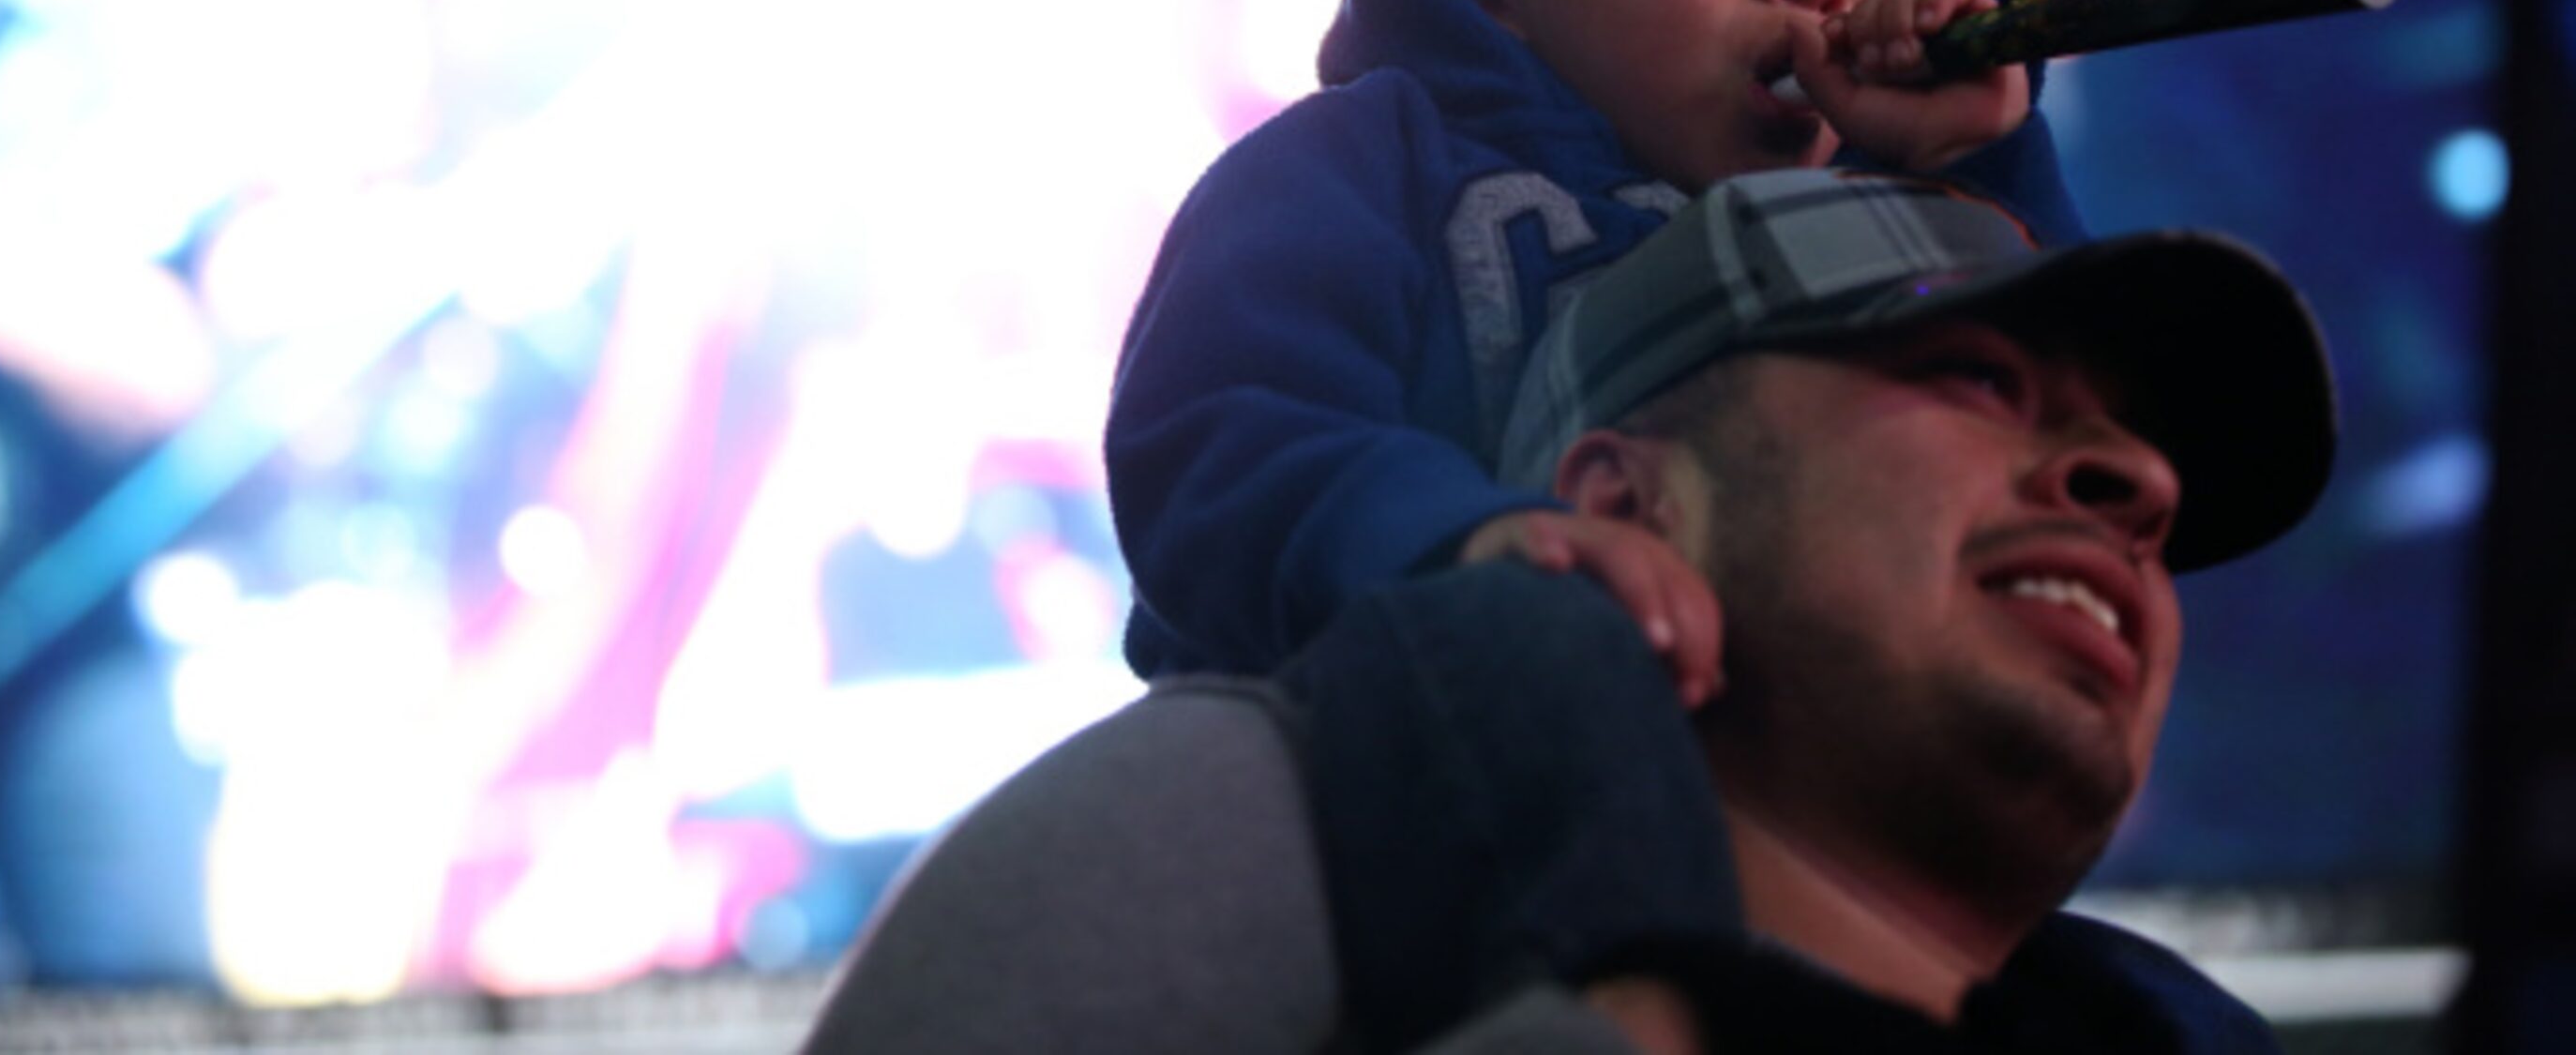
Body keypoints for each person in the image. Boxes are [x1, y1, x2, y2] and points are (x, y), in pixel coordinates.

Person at [796, 167, 2337, 1053]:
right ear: (1621, 497)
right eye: (1975, 379)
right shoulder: (1257, 817)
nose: (2135, 476)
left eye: (2132, 447)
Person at [1107, 0, 2082, 691]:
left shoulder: (1868, 225)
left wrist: (1969, 167)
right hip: (1357, 755)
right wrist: (1462, 548)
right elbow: (1221, 435)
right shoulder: (1360, 162)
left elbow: (2066, 456)